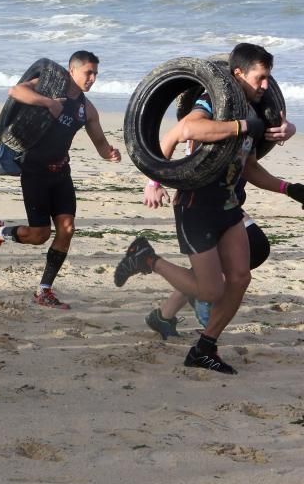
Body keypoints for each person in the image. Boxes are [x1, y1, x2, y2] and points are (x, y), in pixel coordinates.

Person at [119, 44, 304, 375]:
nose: (266, 86)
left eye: (268, 79)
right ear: (238, 74)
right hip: (196, 204)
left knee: (240, 277)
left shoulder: (256, 109)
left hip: (229, 204)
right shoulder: (214, 102)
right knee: (210, 289)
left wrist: (288, 187)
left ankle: (204, 347)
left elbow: (247, 166)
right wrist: (156, 180)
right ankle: (146, 258)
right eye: (260, 78)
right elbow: (185, 130)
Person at [0, 51, 121, 309]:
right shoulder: (50, 87)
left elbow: (100, 143)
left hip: (61, 173)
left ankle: (44, 290)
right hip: (34, 171)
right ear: (72, 70)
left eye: (96, 74)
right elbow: (16, 91)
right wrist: (47, 102)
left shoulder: (87, 109)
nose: (92, 79)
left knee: (67, 229)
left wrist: (110, 153)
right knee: (39, 235)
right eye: (88, 72)